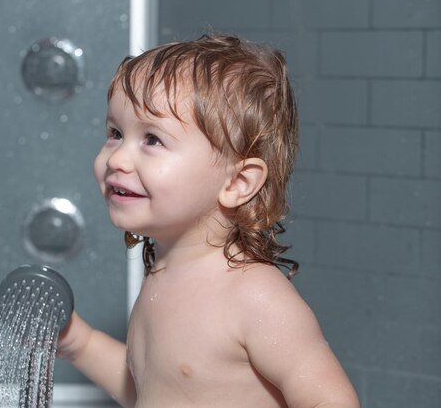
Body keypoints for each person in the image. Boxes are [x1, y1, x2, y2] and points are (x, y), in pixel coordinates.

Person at [57, 34, 360, 408]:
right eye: (115, 134)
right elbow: (151, 393)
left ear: (237, 182)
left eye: (152, 139)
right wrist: (79, 342)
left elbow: (329, 400)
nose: (118, 159)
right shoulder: (163, 276)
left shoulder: (254, 296)